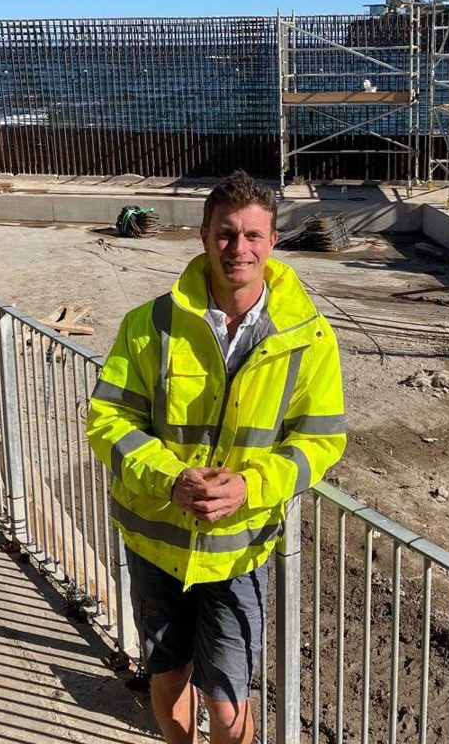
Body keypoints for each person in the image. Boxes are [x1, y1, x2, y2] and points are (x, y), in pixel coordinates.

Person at [87, 170, 346, 744]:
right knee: (167, 675)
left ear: (273, 241)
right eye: (226, 234)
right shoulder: (150, 325)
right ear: (203, 235)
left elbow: (321, 440)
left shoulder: (309, 338)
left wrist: (251, 488)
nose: (240, 248)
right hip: (156, 543)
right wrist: (170, 478)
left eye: (253, 236)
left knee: (229, 704)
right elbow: (107, 419)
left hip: (238, 552)